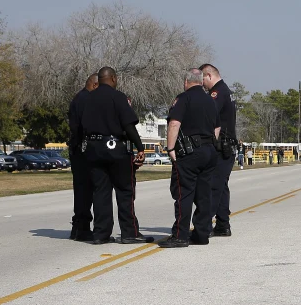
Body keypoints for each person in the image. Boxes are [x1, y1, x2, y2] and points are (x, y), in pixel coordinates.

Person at [78, 66, 150, 244]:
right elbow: (128, 126)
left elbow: (81, 127)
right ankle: (129, 232)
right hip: (116, 148)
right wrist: (140, 148)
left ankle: (100, 234)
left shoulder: (87, 99)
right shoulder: (118, 97)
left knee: (100, 192)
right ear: (113, 79)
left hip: (94, 149)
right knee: (125, 191)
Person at [161, 68, 220, 248]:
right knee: (204, 194)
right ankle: (202, 234)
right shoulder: (210, 100)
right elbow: (217, 128)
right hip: (209, 150)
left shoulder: (183, 98)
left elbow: (174, 123)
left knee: (183, 193)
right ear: (201, 81)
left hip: (189, 152)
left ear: (186, 82)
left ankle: (180, 234)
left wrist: (170, 148)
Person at [199, 63, 237, 237]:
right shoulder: (224, 91)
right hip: (226, 146)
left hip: (222, 147)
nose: (202, 85)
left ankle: (203, 226)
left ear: (208, 75)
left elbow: (208, 114)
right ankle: (223, 224)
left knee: (213, 186)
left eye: (202, 80)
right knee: (221, 186)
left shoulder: (217, 92)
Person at [66, 72, 98, 241]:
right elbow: (85, 126)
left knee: (81, 190)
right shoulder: (86, 100)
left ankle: (79, 226)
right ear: (94, 85)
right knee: (85, 190)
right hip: (82, 151)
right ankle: (82, 227)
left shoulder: (78, 98)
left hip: (77, 149)